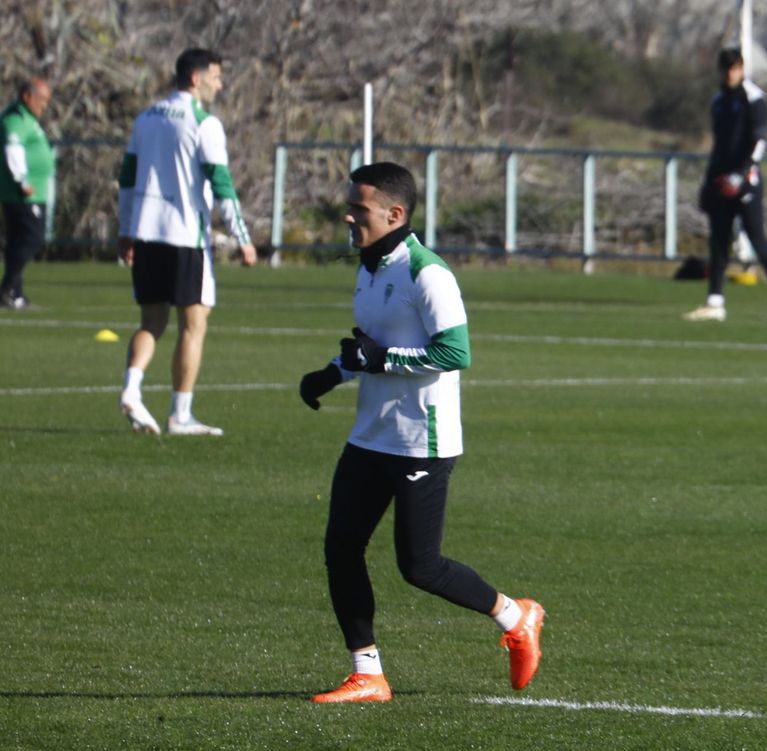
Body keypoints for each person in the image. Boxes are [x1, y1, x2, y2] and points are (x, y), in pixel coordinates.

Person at [297, 161, 545, 704]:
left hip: (421, 441)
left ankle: (515, 615)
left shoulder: (428, 273)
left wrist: (381, 359)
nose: (348, 215)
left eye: (359, 208)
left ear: (394, 213)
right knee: (341, 548)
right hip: (370, 435)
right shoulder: (367, 268)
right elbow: (370, 346)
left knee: (420, 566)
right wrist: (334, 372)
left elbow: (455, 353)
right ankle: (368, 674)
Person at [116, 48, 257, 436]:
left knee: (151, 321)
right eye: (216, 75)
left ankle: (132, 387)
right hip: (185, 237)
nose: (220, 83)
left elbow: (127, 178)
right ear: (195, 78)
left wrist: (126, 229)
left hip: (146, 234)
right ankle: (180, 414)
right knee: (194, 324)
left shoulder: (145, 119)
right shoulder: (203, 122)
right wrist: (242, 238)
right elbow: (222, 183)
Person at [682, 46, 767, 323]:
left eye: (735, 67)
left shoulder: (755, 99)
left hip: (746, 182)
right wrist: (710, 180)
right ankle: (715, 302)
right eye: (727, 68)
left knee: (756, 238)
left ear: (742, 68)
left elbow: (759, 141)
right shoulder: (719, 100)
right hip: (721, 180)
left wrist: (744, 172)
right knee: (719, 240)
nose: (731, 73)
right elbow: (719, 145)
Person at [1, 77, 53, 310]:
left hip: (33, 191)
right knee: (32, 238)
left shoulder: (28, 119)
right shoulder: (16, 119)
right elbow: (12, 149)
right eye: (41, 99)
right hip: (23, 193)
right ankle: (7, 289)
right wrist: (22, 180)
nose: (44, 105)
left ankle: (15, 294)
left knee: (18, 241)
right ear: (27, 96)